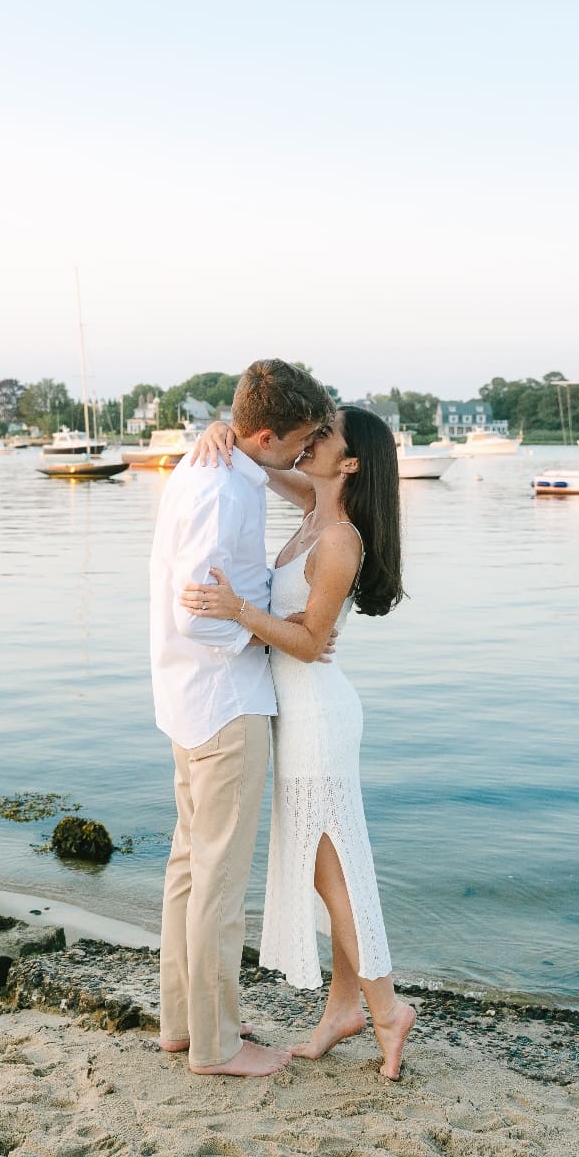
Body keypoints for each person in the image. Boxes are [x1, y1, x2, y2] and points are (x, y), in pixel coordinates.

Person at [180, 404, 417, 1080]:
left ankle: (386, 1006)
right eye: (310, 432)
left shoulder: (339, 539)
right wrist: (221, 432)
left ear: (351, 463)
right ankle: (346, 1008)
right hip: (300, 713)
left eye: (324, 437)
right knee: (330, 870)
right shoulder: (313, 508)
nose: (308, 442)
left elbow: (311, 644)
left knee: (330, 873)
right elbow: (261, 461)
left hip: (319, 716)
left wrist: (240, 613)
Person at [148, 359, 333, 1078]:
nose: (304, 450)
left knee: (191, 870)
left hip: (189, 700)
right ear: (265, 434)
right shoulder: (225, 489)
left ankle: (184, 1023)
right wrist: (264, 628)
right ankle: (218, 1045)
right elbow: (202, 614)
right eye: (300, 439)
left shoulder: (210, 473)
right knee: (219, 883)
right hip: (225, 702)